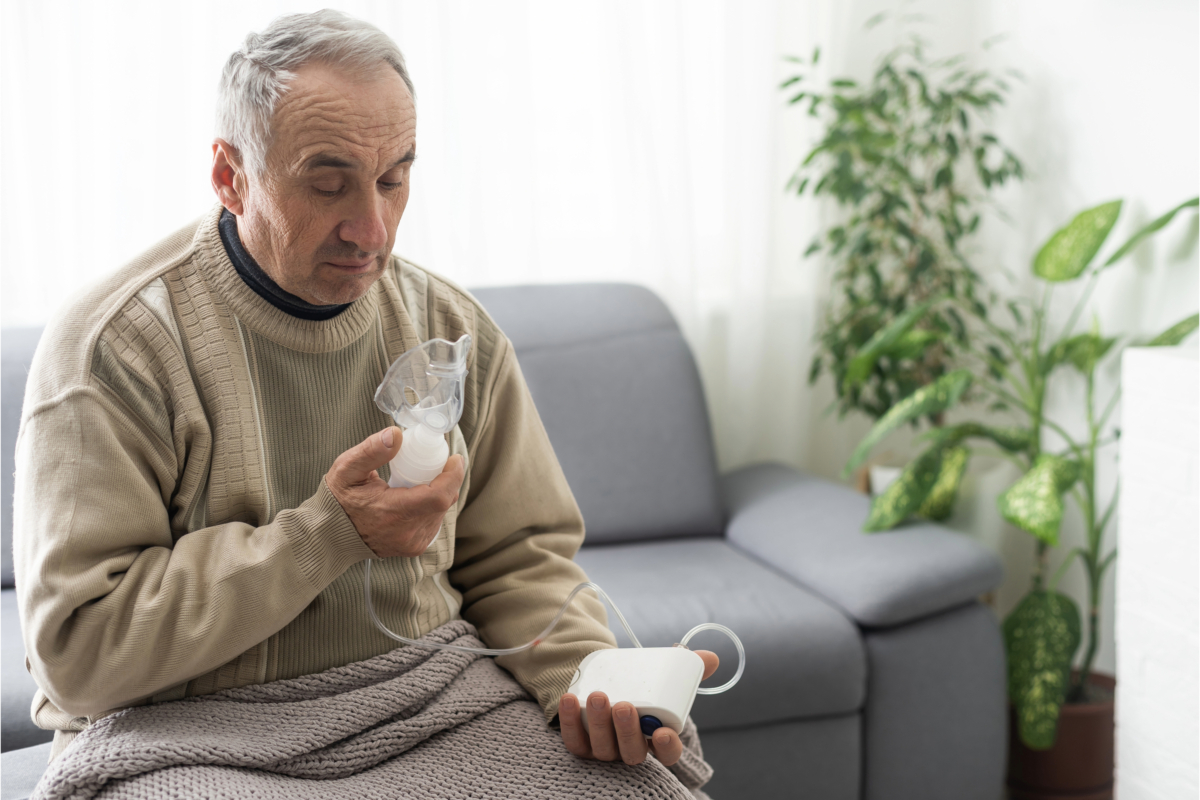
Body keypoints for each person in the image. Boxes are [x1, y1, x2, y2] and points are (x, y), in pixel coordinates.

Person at [13, 9, 715, 773]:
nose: (372, 230)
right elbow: (78, 656)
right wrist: (328, 534)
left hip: (428, 696)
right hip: (188, 732)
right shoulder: (115, 347)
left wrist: (583, 686)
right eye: (328, 184)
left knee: (644, 783)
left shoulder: (450, 326)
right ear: (230, 177)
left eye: (393, 180)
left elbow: (520, 560)